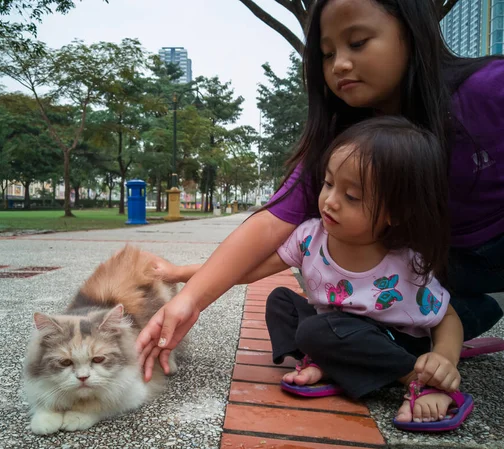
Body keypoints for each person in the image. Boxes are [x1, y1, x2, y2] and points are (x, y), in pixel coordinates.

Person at [136, 0, 504, 387]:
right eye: (327, 54)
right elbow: (268, 230)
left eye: (358, 42)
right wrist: (188, 298)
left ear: (412, 33)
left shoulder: (487, 92)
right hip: (428, 277)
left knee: (340, 330)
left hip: (446, 270)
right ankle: (375, 348)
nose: (340, 64)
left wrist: (443, 359)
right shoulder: (342, 146)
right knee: (295, 310)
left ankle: (399, 361)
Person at [153, 117, 474, 430]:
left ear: (396, 212)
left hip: (387, 344)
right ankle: (330, 362)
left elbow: (447, 317)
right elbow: (249, 271)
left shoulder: (403, 263)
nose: (330, 201)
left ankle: (417, 381)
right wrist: (179, 272)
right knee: (280, 300)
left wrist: (443, 360)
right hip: (331, 330)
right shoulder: (310, 237)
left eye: (351, 196)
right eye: (329, 183)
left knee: (317, 331)